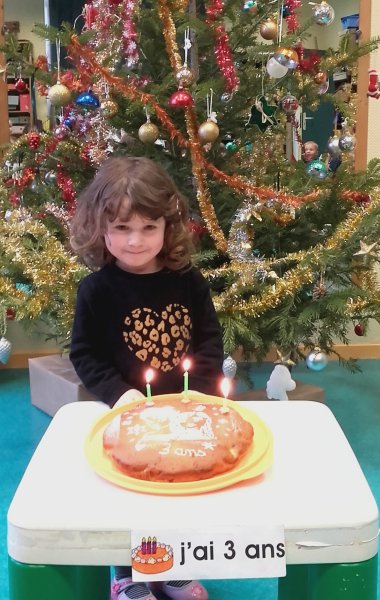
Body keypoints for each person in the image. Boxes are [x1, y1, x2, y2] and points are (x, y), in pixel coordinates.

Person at [70, 156, 224, 600]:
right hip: (130, 419)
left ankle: (172, 567)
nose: (135, 240)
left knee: (179, 494)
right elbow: (84, 354)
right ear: (101, 227)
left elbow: (209, 340)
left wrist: (203, 394)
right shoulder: (95, 291)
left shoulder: (188, 281)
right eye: (122, 228)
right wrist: (120, 394)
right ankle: (129, 576)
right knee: (131, 498)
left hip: (186, 417)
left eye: (148, 227)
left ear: (167, 226)